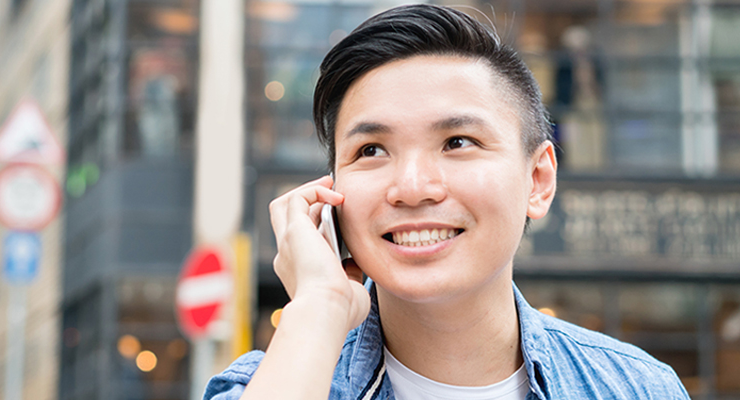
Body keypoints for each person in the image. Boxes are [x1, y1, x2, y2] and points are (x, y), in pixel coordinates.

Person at [204, 4, 689, 400]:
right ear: (331, 194)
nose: (413, 187)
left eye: (457, 142)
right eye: (371, 150)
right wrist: (319, 308)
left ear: (538, 180)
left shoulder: (635, 388)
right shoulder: (277, 381)